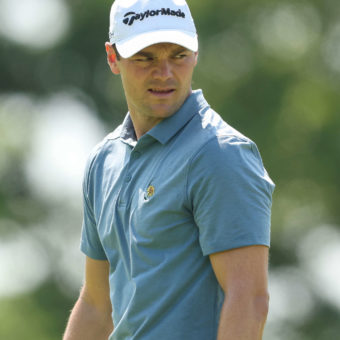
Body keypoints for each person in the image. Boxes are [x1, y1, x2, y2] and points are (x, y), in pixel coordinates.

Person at [63, 0, 275, 339]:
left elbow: (249, 301)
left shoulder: (220, 154)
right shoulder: (104, 160)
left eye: (178, 55)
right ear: (113, 57)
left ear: (195, 53)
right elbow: (95, 304)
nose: (164, 73)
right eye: (145, 57)